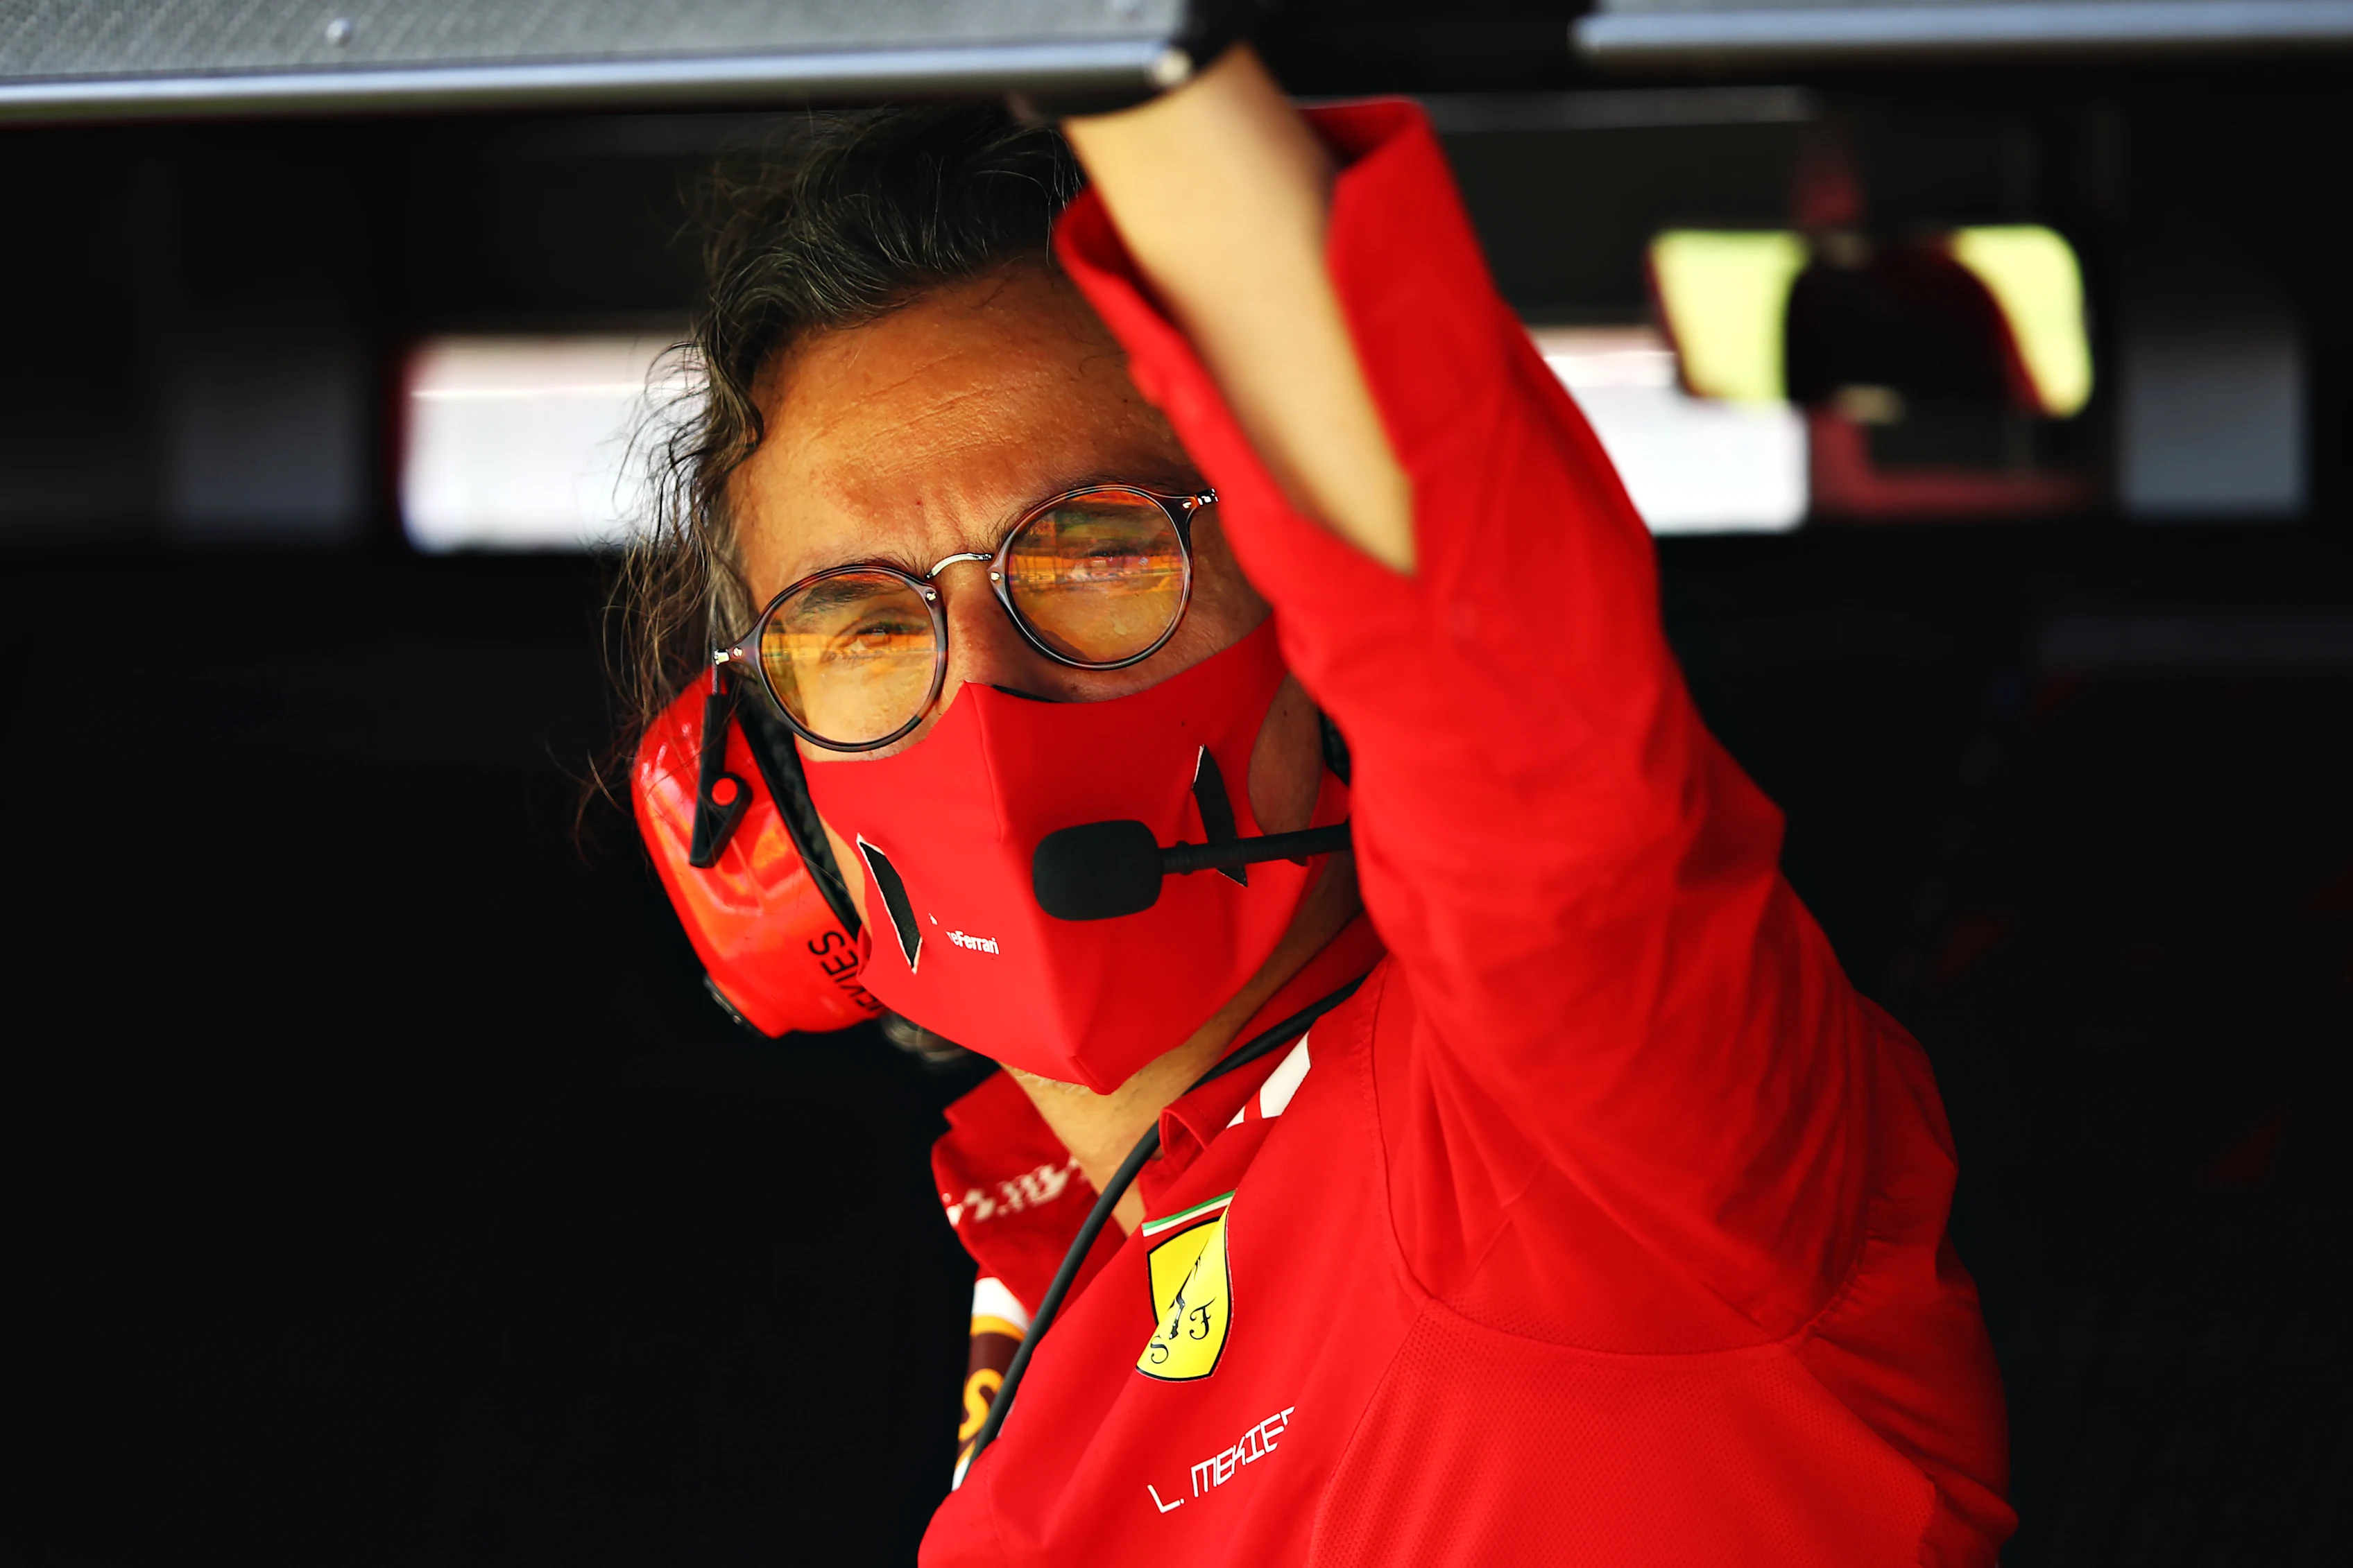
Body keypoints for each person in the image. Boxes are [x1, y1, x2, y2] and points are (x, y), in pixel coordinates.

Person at [627, 44, 2014, 1567]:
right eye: (860, 623)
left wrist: (1134, 53)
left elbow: (1475, 625)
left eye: (1100, 554)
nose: (986, 698)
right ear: (751, 784)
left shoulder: (1584, 1121)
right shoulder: (1048, 1316)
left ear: (1317, 614)